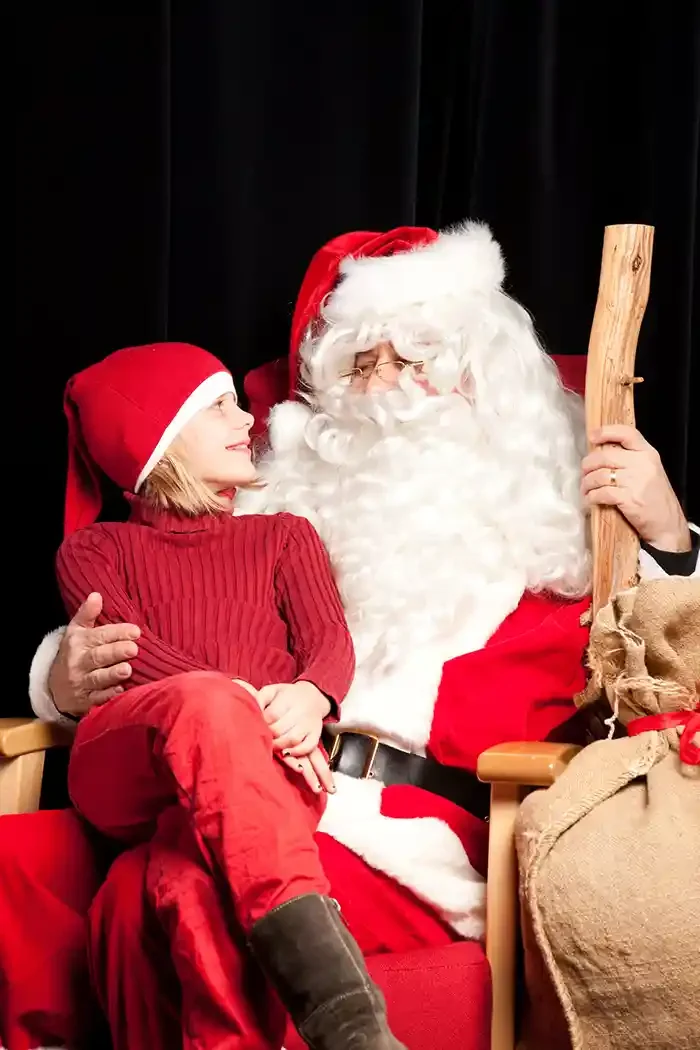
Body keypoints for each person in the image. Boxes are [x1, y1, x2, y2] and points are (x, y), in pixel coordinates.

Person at [2, 222, 697, 1050]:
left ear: (484, 385)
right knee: (136, 892)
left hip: (412, 834)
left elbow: (666, 667)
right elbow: (157, 638)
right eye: (364, 366)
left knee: (177, 888)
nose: (388, 388)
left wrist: (670, 540)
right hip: (236, 787)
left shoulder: (551, 537)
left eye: (418, 361)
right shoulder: (271, 527)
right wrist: (65, 678)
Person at [43, 338, 407, 1050]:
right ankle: (350, 1022)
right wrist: (240, 702)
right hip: (133, 767)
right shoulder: (96, 550)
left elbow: (328, 642)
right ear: (161, 440)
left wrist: (312, 698)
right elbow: (131, 652)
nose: (248, 421)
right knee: (207, 703)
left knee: (167, 885)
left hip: (263, 772)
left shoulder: (283, 537)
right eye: (219, 407)